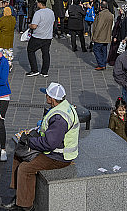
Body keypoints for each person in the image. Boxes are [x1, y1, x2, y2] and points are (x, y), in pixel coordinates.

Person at [8, 82, 79, 211]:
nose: (45, 96)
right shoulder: (63, 106)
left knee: (25, 168)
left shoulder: (59, 118)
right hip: (55, 151)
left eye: (46, 94)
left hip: (58, 157)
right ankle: (19, 194)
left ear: (51, 98)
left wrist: (30, 141)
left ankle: (25, 206)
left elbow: (50, 143)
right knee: (18, 153)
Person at [25, 0, 54, 77]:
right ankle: (45, 71)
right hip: (48, 37)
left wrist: (30, 25)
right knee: (45, 53)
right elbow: (53, 22)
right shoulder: (51, 12)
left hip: (38, 36)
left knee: (30, 50)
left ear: (40, 3)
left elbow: (34, 26)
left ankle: (34, 69)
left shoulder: (38, 13)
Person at [91, 1, 113, 70]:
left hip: (100, 36)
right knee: (104, 50)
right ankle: (103, 63)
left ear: (101, 7)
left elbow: (98, 27)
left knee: (96, 49)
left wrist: (94, 37)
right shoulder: (110, 14)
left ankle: (101, 64)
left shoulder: (101, 14)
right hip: (106, 35)